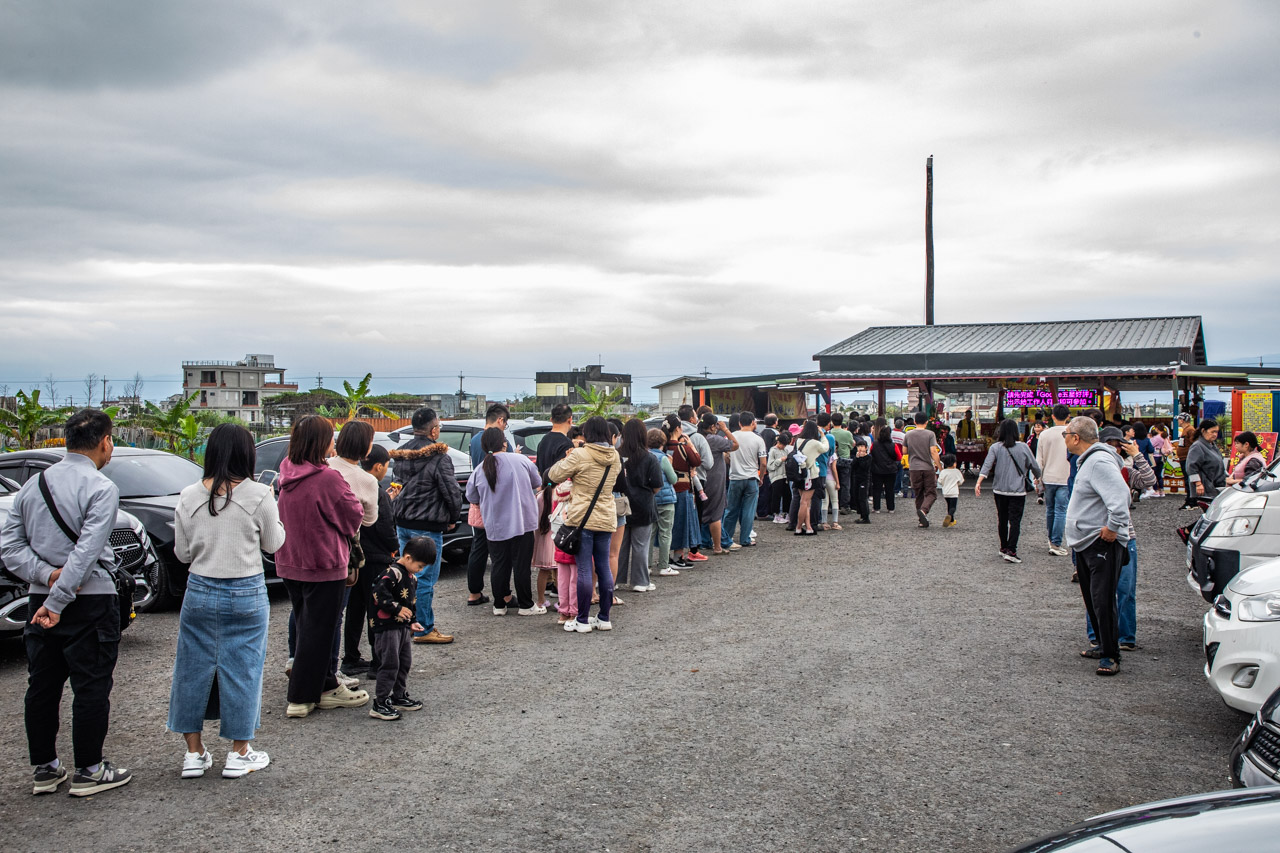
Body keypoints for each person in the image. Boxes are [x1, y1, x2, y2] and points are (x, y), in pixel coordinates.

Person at [2, 409, 132, 796]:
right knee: (90, 686)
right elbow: (87, 552)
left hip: (39, 600)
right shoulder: (100, 488)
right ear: (105, 441)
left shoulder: (32, 487)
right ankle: (90, 770)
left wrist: (46, 578)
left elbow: (10, 549)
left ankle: (45, 767)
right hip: (88, 602)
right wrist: (59, 598)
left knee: (42, 685)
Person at [169, 423, 285, 779]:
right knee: (243, 669)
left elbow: (182, 553)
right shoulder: (258, 494)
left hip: (201, 589)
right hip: (246, 590)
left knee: (192, 670)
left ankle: (194, 754)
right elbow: (273, 544)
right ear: (246, 453)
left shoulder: (188, 495)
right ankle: (239, 752)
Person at [275, 415, 368, 718]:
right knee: (321, 630)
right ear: (320, 441)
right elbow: (352, 515)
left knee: (307, 626)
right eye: (330, 436)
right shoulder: (327, 478)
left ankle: (325, 684)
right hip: (324, 561)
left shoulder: (286, 473)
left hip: (291, 560)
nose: (334, 442)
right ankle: (305, 695)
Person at [1063, 416, 1130, 676]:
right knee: (1092, 597)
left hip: (1100, 541)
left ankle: (1110, 655)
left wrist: (1113, 528)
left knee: (1103, 599)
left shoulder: (1099, 462)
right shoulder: (1091, 461)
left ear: (1076, 437)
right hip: (1086, 541)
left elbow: (1120, 496)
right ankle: (1102, 644)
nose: (1064, 438)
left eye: (1066, 433)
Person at [388, 407, 461, 642]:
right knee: (426, 577)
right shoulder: (439, 457)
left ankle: (408, 622)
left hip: (402, 520)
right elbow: (451, 492)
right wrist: (452, 518)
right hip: (428, 524)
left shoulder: (401, 453)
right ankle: (425, 628)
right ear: (434, 429)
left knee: (407, 575)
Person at [548, 416, 621, 633]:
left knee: (583, 569)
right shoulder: (615, 456)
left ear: (587, 434)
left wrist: (571, 454)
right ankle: (604, 617)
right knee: (603, 567)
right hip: (606, 517)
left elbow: (554, 474)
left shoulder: (580, 454)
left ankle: (582, 619)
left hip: (582, 518)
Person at [465, 427, 543, 615]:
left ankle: (499, 604)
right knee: (521, 565)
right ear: (504, 443)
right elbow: (536, 482)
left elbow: (471, 496)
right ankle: (526, 605)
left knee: (499, 564)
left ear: (484, 447)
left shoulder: (480, 469)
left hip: (494, 524)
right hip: (522, 522)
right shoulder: (521, 460)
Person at [325, 420, 378, 683]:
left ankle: (302, 663)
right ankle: (331, 674)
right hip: (344, 551)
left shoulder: (323, 467)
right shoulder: (365, 479)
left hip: (313, 547)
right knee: (336, 614)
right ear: (364, 447)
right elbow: (369, 521)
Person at [367, 536, 435, 721]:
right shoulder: (391, 574)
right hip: (387, 627)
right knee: (390, 663)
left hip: (402, 627)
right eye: (419, 566)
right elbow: (378, 595)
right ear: (407, 557)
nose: (420, 570)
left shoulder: (411, 577)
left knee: (404, 662)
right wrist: (396, 609)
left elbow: (409, 602)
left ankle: (398, 695)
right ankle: (380, 702)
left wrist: (412, 620)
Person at [467, 403, 521, 602]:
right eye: (505, 424)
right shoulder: (498, 441)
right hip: (499, 502)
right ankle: (504, 595)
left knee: (479, 547)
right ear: (500, 420)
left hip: (481, 501)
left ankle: (474, 592)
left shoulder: (474, 440)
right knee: (501, 553)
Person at [351, 445, 398, 676]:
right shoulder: (376, 491)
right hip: (377, 557)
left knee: (355, 608)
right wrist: (394, 549)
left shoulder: (354, 484)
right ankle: (377, 661)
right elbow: (386, 528)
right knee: (376, 610)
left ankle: (350, 657)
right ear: (379, 466)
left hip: (357, 557)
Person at [975, 419, 1043, 563]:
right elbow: (1034, 466)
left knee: (1002, 519)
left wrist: (979, 482)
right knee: (1015, 521)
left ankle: (1003, 547)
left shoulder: (995, 447)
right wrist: (1038, 479)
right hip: (1018, 491)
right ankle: (1012, 550)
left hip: (999, 489)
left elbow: (987, 465)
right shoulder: (1024, 447)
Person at [617, 419, 663, 591]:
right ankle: (640, 582)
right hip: (643, 505)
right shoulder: (649, 458)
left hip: (619, 505)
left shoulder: (616, 455)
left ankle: (615, 579)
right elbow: (657, 485)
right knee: (641, 546)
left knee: (619, 547)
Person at [722, 411, 767, 550]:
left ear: (740, 423)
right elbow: (763, 463)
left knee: (731, 510)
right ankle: (745, 538)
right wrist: (761, 477)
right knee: (748, 510)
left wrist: (733, 463)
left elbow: (725, 457)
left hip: (735, 477)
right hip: (751, 477)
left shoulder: (732, 437)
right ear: (753, 422)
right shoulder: (758, 439)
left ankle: (727, 538)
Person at [663, 414, 702, 570]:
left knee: (667, 526)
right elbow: (697, 461)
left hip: (666, 488)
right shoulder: (682, 447)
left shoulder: (663, 447)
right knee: (681, 523)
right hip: (683, 487)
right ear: (678, 429)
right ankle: (677, 557)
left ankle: (665, 557)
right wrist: (691, 444)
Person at [678, 405, 715, 562]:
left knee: (679, 516)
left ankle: (677, 552)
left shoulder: (674, 434)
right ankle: (694, 550)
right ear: (692, 419)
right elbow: (708, 463)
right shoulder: (698, 437)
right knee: (696, 516)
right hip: (697, 481)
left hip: (678, 480)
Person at [697, 413, 737, 554]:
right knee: (715, 514)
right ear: (713, 426)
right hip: (714, 480)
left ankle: (702, 542)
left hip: (699, 479)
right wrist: (725, 430)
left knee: (702, 512)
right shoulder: (714, 439)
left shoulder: (696, 437)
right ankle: (718, 547)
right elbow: (735, 445)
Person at [1036, 404, 1072, 557]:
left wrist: (1038, 478)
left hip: (1048, 477)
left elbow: (1039, 459)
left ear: (1052, 416)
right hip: (1065, 477)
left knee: (1050, 509)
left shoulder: (1044, 434)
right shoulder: (1071, 434)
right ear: (1068, 417)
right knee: (1061, 510)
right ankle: (1056, 543)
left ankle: (1051, 539)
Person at [647, 428, 679, 577]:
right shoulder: (663, 458)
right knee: (665, 533)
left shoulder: (645, 457)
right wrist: (671, 465)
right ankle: (664, 565)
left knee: (650, 534)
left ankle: (647, 565)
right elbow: (673, 479)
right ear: (663, 442)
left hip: (650, 500)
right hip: (666, 500)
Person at [904, 413, 941, 528]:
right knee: (931, 493)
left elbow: (904, 451)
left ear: (914, 422)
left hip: (914, 467)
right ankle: (924, 511)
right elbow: (933, 452)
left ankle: (921, 520)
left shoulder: (908, 434)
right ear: (927, 422)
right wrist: (939, 466)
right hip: (927, 467)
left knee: (918, 493)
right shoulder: (930, 434)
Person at [791, 421, 826, 535]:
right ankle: (799, 527)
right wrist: (822, 434)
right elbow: (825, 448)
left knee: (805, 502)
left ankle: (809, 527)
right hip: (810, 475)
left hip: (799, 474)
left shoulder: (798, 441)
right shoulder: (814, 443)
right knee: (805, 502)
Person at [1184, 417, 1226, 504]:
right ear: (1203, 431)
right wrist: (1198, 484)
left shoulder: (1212, 445)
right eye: (1212, 432)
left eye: (1216, 432)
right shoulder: (1197, 446)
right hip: (1204, 487)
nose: (1215, 434)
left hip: (1216, 485)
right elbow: (1191, 467)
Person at [815, 413, 840, 530]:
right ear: (829, 423)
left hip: (811, 470)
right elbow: (830, 453)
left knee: (817, 499)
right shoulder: (830, 438)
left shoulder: (811, 435)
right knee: (832, 499)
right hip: (824, 471)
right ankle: (834, 522)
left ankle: (821, 521)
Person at [870, 426, 899, 514]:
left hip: (877, 469)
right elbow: (898, 457)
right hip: (890, 470)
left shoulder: (874, 444)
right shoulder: (893, 445)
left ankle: (876, 508)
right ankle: (891, 508)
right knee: (890, 489)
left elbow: (871, 454)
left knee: (876, 489)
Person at [756, 414, 780, 521]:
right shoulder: (776, 433)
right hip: (772, 463)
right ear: (775, 422)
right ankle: (766, 512)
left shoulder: (760, 433)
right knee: (769, 489)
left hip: (760, 463)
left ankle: (761, 510)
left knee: (762, 489)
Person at [830, 412, 855, 511]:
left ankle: (832, 505)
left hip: (832, 460)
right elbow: (852, 444)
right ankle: (844, 506)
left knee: (832, 482)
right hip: (845, 460)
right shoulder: (847, 433)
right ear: (842, 421)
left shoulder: (829, 433)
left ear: (832, 422)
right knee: (845, 484)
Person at [849, 421, 872, 524]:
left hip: (864, 479)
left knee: (863, 498)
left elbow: (865, 467)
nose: (861, 450)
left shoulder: (868, 458)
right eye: (859, 448)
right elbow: (852, 467)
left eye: (862, 448)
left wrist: (861, 458)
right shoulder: (856, 457)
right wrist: (857, 458)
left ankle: (866, 516)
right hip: (856, 479)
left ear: (866, 448)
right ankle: (862, 515)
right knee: (858, 497)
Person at [766, 431, 792, 523]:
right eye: (783, 445)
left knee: (787, 495)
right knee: (776, 495)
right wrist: (780, 460)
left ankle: (786, 513)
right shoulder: (773, 450)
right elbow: (770, 466)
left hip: (784, 476)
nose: (784, 447)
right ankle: (776, 515)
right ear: (778, 443)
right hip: (776, 476)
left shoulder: (785, 450)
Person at [937, 454, 963, 527]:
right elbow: (961, 481)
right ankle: (949, 515)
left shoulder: (943, 472)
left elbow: (939, 481)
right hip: (954, 492)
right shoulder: (957, 471)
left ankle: (951, 521)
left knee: (949, 505)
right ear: (954, 463)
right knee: (953, 507)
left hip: (945, 492)